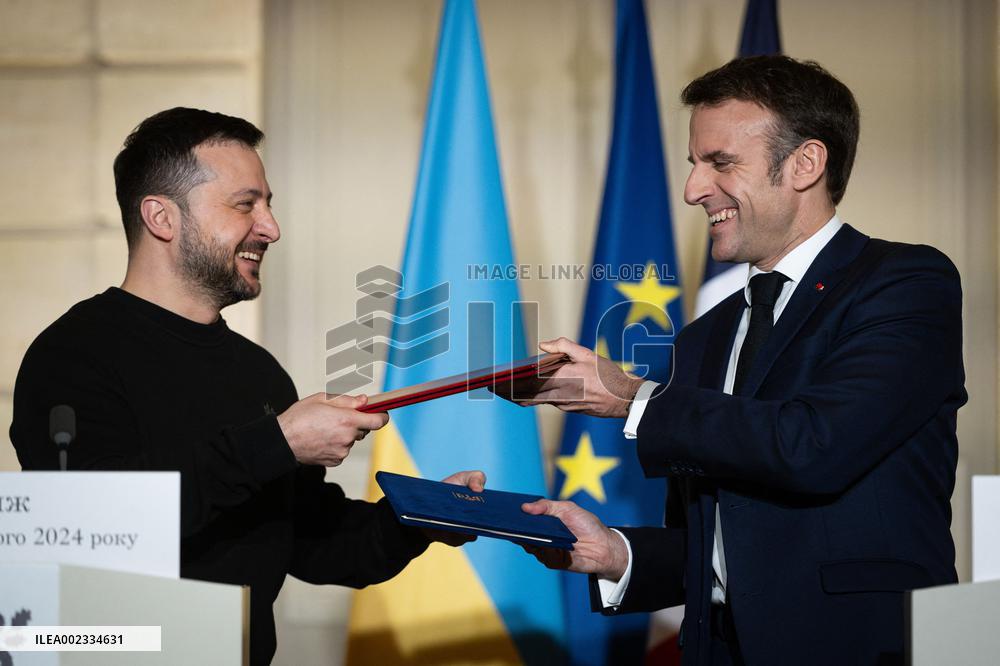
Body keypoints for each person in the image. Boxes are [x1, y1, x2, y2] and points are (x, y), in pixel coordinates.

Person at [516, 56, 965, 666]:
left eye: (720, 163)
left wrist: (632, 398)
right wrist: (617, 554)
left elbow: (814, 448)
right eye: (694, 165)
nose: (693, 190)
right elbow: (723, 541)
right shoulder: (703, 338)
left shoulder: (905, 283)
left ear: (806, 164)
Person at [9, 107, 483, 665]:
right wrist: (276, 443)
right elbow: (91, 527)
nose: (271, 228)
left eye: (268, 203)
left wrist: (420, 518)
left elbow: (318, 542)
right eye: (245, 204)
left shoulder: (257, 371)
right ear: (162, 217)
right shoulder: (74, 355)